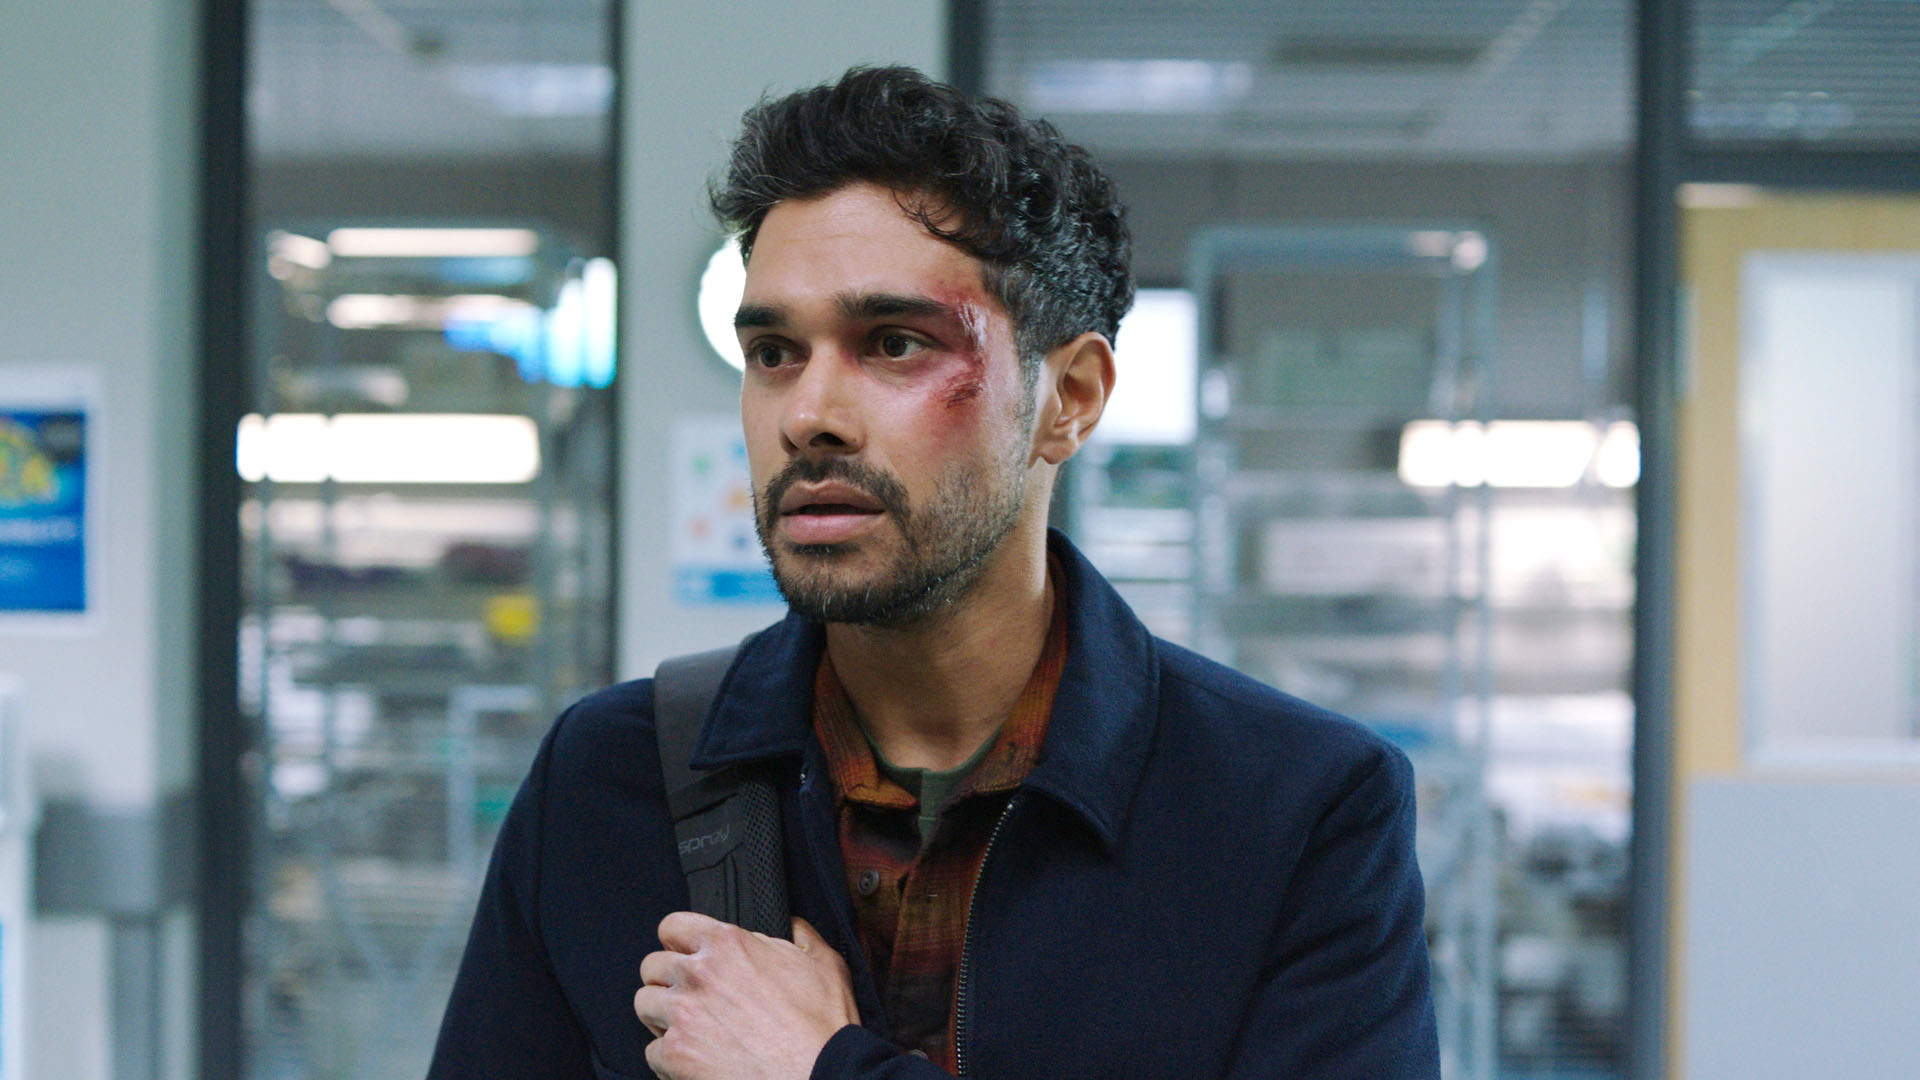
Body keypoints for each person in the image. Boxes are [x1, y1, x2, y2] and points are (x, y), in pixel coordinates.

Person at [429, 65, 1439, 1080]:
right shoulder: (607, 782)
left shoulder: (1293, 811)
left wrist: (820, 1069)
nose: (808, 415)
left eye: (895, 344)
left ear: (1070, 399)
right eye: (774, 351)